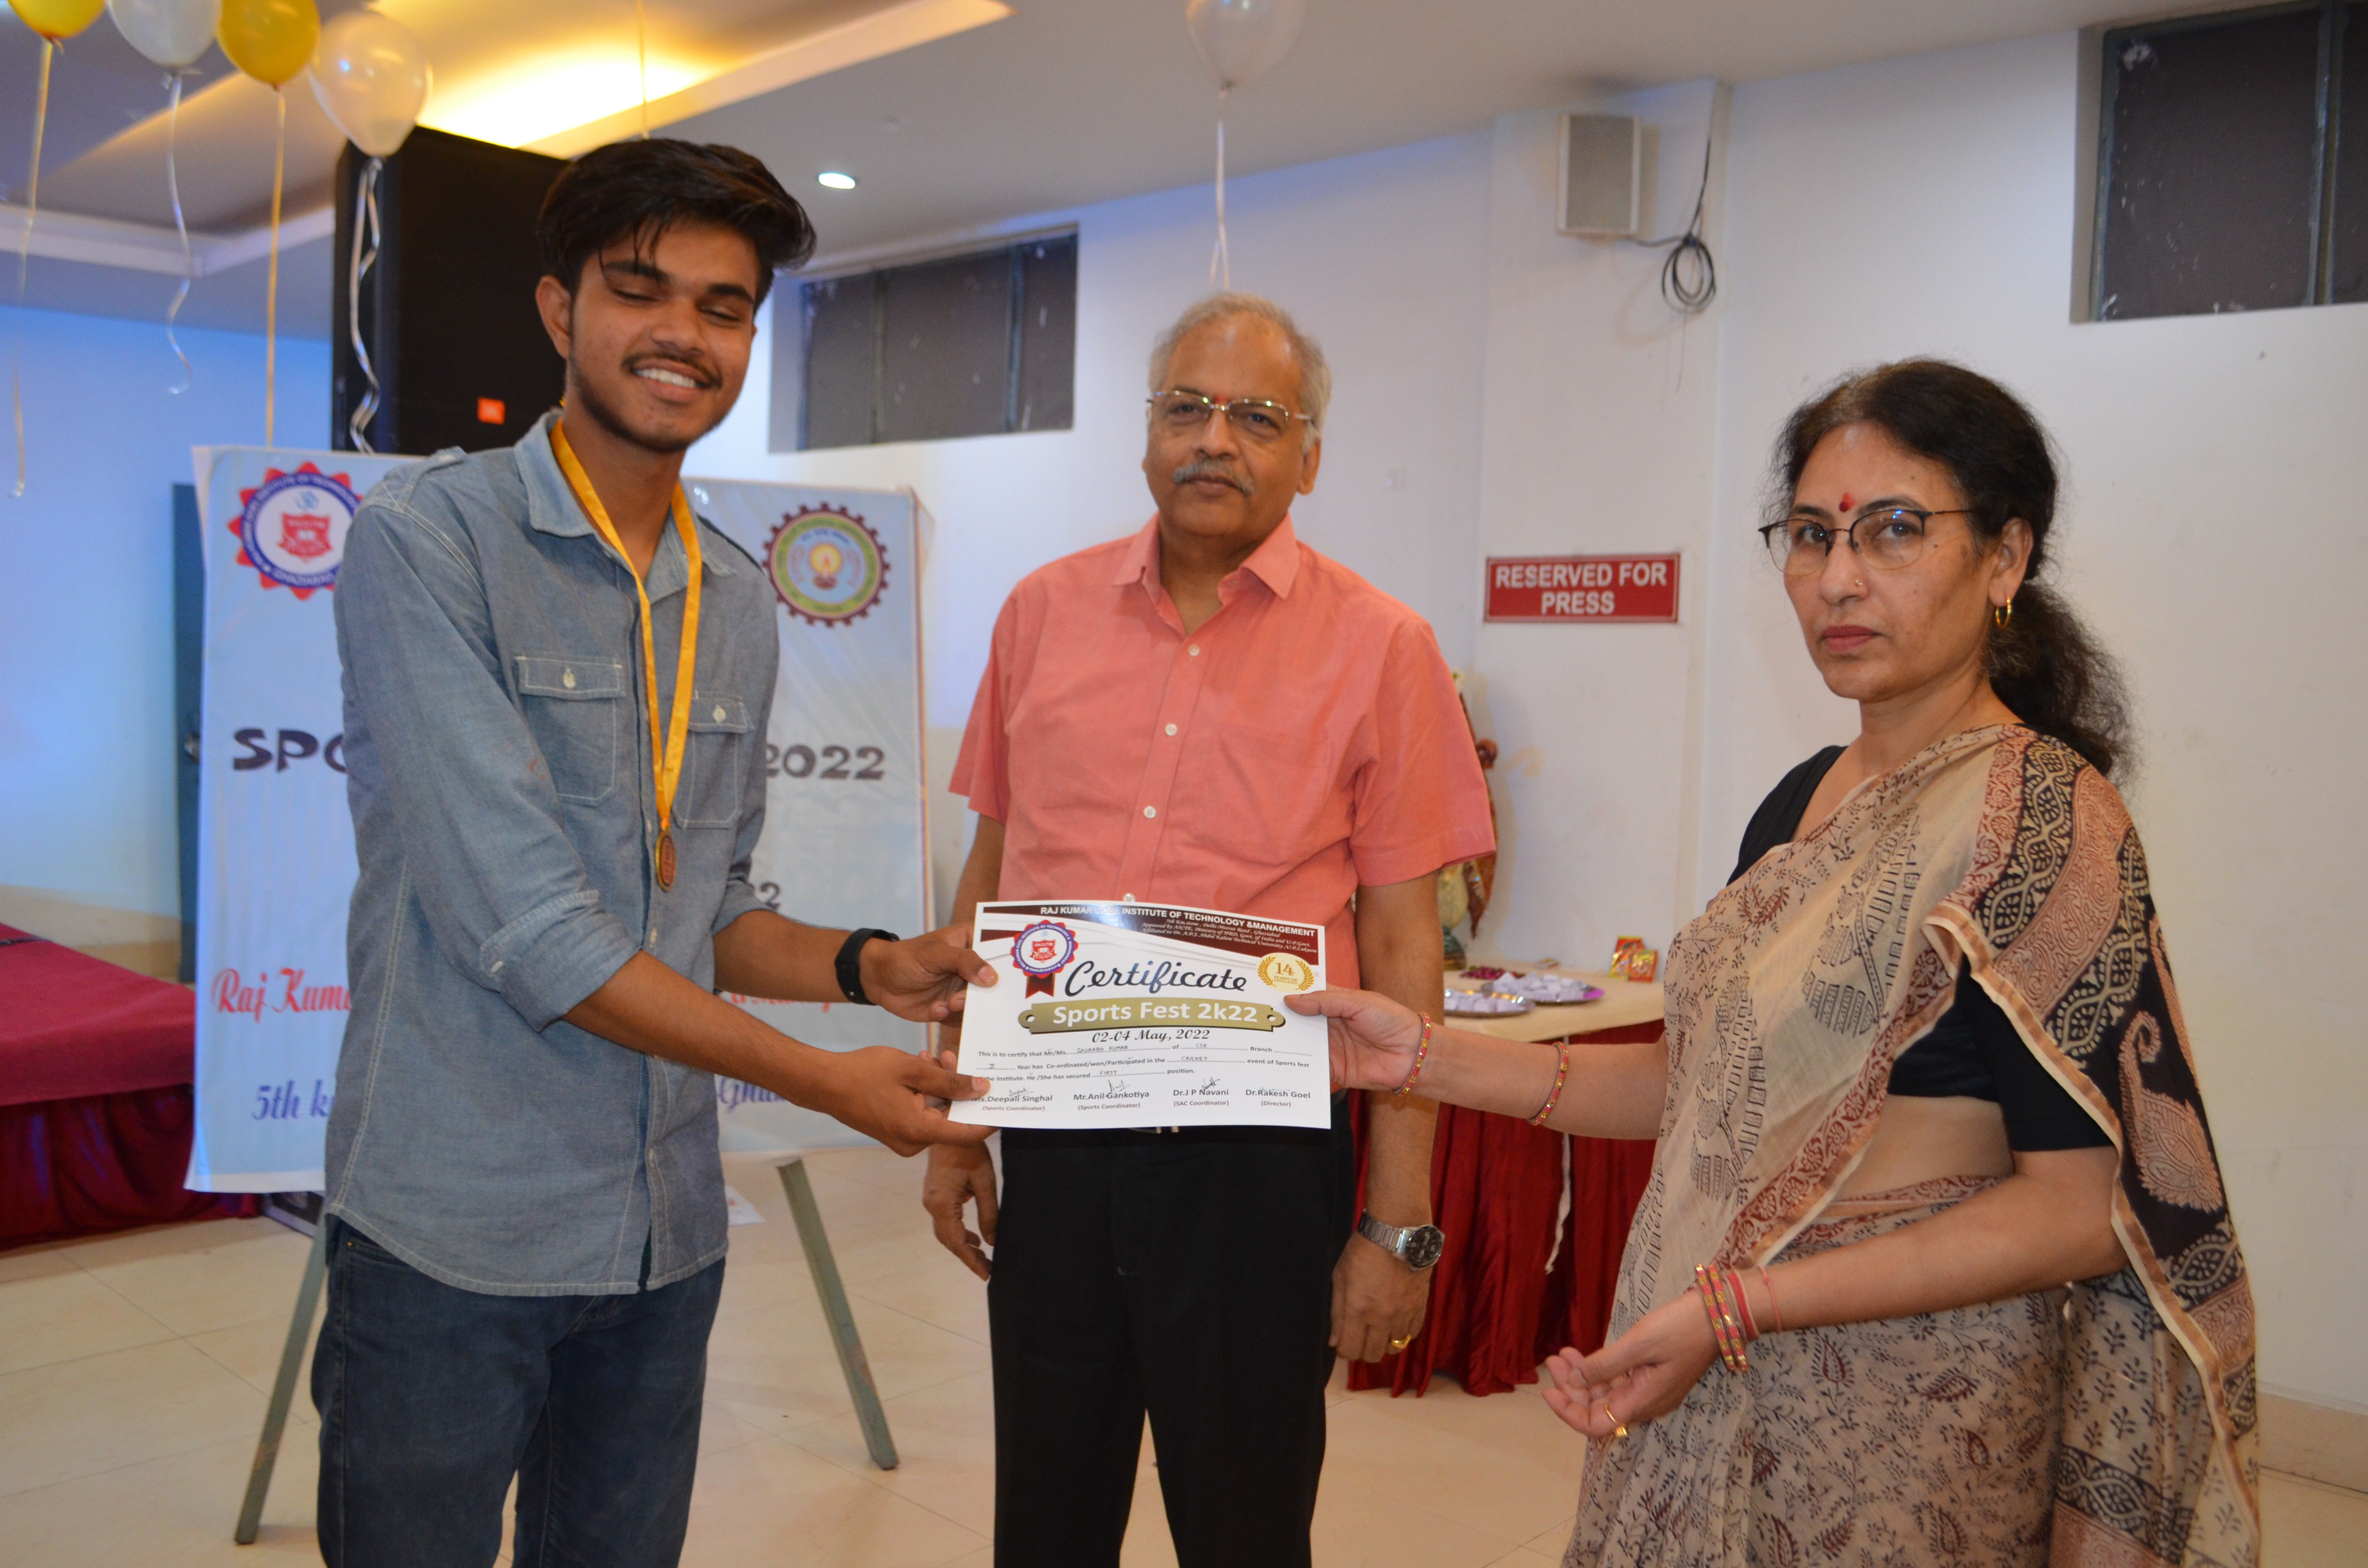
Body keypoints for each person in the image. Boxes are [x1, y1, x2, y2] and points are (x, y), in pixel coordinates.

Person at [1293, 360, 2258, 1567]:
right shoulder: (1803, 801)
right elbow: (1702, 1084)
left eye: (1894, 529)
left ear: (2005, 558)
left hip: (1912, 1414)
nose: (1839, 577)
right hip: (1712, 1358)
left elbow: (2079, 1211)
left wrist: (1744, 1304)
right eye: (1811, 535)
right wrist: (1423, 1059)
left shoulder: (2041, 820)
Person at [319, 138, 996, 1568]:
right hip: (454, 1233)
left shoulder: (735, 596)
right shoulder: (427, 547)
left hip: (661, 1234)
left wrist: (875, 967)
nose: (684, 333)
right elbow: (533, 933)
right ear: (559, 309)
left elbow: (711, 910)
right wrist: (826, 1082)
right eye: (641, 290)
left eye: (724, 305)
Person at [922, 293, 1496, 1567]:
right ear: (1147, 432)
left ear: (1310, 457)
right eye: (1187, 406)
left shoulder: (1383, 647)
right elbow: (993, 878)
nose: (1215, 439)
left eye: (1258, 417)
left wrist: (1395, 1226)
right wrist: (956, 1125)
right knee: (1045, 1522)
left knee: (1245, 1528)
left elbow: (1408, 951)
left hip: (1259, 1166)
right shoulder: (1040, 613)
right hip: (1059, 1141)